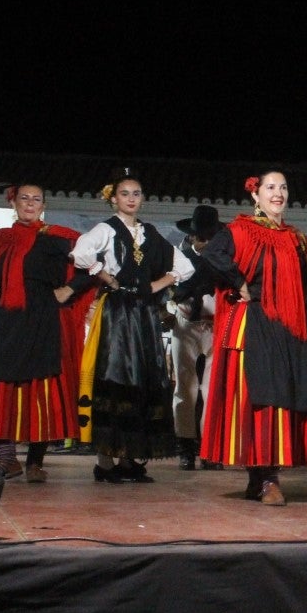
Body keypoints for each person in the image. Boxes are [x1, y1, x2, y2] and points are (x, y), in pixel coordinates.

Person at [201, 171, 307, 505]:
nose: (278, 193)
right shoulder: (241, 230)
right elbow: (213, 254)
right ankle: (266, 478)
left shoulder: (297, 238)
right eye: (270, 187)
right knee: (260, 400)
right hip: (255, 324)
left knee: (282, 398)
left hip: (287, 329)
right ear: (255, 195)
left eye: (283, 187)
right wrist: (239, 283)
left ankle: (262, 478)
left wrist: (306, 293)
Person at [72, 169, 193, 482]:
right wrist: (106, 276)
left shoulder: (149, 233)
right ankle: (104, 462)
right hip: (117, 312)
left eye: (136, 194)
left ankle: (127, 457)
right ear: (113, 199)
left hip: (143, 314)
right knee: (114, 376)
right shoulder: (107, 229)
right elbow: (81, 252)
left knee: (141, 379)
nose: (131, 199)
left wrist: (158, 284)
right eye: (125, 194)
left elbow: (184, 266)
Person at [0, 184, 93, 481]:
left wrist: (68, 290)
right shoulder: (0, 238)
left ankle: (35, 462)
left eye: (36, 199)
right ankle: (7, 458)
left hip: (43, 319)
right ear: (14, 203)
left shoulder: (60, 238)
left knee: (41, 391)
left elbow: (91, 267)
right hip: (4, 321)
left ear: (43, 205)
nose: (30, 203)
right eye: (24, 198)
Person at [169, 205, 225, 470]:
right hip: (187, 323)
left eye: (210, 237)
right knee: (185, 387)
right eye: (201, 237)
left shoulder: (222, 257)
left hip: (215, 325)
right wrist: (171, 305)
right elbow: (168, 287)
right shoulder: (179, 257)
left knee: (212, 389)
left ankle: (210, 448)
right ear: (192, 236)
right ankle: (186, 447)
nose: (205, 242)